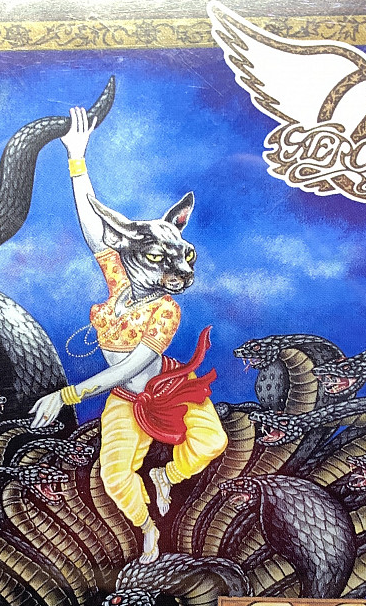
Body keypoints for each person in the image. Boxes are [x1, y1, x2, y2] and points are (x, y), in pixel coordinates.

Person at [30, 107, 228, 562]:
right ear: (130, 253)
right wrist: (76, 159)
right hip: (125, 399)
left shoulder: (165, 308)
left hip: (169, 387)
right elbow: (93, 226)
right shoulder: (119, 283)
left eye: (185, 257)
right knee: (115, 477)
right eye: (161, 258)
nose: (181, 272)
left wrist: (66, 396)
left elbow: (129, 367)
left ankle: (166, 477)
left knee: (212, 443)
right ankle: (146, 528)